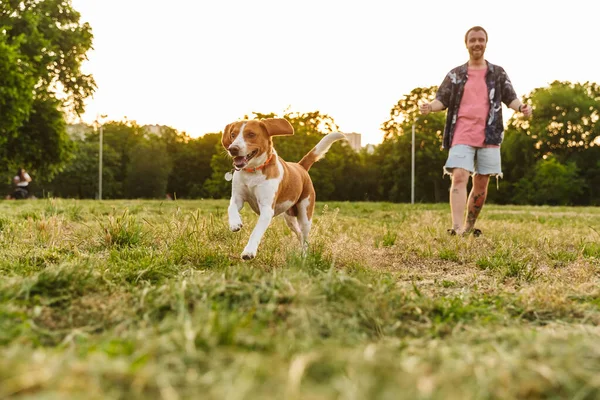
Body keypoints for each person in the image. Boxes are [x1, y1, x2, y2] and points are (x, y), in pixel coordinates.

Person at [419, 26, 532, 236]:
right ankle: (456, 228)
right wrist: (429, 107)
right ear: (466, 44)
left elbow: (510, 98)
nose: (477, 44)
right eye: (473, 40)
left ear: (486, 43)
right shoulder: (455, 74)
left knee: (481, 183)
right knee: (460, 176)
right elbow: (441, 100)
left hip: (490, 134)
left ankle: (469, 227)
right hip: (461, 132)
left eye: (481, 40)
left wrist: (522, 108)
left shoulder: (497, 73)